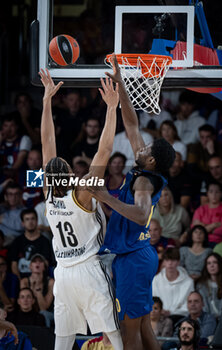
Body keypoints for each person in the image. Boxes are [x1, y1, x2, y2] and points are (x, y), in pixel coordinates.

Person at [86, 54, 176, 350]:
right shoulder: (144, 166)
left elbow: (140, 214)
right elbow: (132, 123)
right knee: (144, 331)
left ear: (150, 159)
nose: (140, 144)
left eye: (146, 148)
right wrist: (121, 82)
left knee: (130, 333)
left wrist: (104, 197)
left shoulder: (142, 181)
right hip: (138, 256)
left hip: (135, 260)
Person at [40, 69, 122, 350]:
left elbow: (46, 143)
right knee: (113, 334)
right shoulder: (83, 192)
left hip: (62, 273)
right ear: (68, 173)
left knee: (63, 339)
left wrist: (47, 101)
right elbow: (105, 148)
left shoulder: (48, 194)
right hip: (88, 269)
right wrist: (112, 108)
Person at [9, 208, 54, 279]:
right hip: (22, 280)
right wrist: (20, 280)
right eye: (27, 219)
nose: (30, 222)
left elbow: (46, 263)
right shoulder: (17, 241)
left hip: (40, 279)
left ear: (37, 221)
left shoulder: (45, 241)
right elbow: (14, 264)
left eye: (33, 219)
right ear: (22, 223)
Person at [152, 248, 194, 322]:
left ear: (178, 262)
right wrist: (160, 310)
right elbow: (152, 300)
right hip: (158, 317)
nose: (170, 263)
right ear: (164, 262)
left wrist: (171, 313)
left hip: (179, 318)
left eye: (173, 260)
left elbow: (188, 306)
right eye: (167, 260)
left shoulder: (188, 282)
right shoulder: (156, 280)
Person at [20, 253, 54, 327]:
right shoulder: (24, 281)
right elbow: (23, 303)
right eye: (34, 261)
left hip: (49, 313)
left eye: (40, 261)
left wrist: (38, 291)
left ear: (44, 266)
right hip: (31, 311)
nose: (37, 263)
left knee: (43, 314)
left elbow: (44, 307)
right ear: (30, 266)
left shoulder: (50, 282)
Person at [196, 253, 222, 319]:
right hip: (207, 320)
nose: (212, 266)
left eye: (215, 262)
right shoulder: (201, 285)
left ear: (220, 264)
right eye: (209, 263)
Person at [102, 152, 126, 220]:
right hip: (105, 216)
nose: (117, 165)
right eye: (114, 162)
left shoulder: (128, 181)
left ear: (124, 165)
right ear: (110, 165)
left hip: (123, 216)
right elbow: (98, 198)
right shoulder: (105, 180)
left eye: (120, 163)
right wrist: (108, 213)